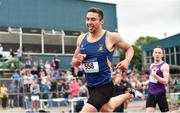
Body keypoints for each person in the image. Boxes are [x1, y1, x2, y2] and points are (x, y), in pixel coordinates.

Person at [72, 7, 137, 112]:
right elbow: (74, 62)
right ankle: (129, 95)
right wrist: (78, 60)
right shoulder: (81, 39)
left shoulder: (110, 37)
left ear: (101, 21)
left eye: (93, 19)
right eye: (87, 19)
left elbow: (129, 48)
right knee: (108, 108)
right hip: (91, 86)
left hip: (104, 86)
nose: (89, 22)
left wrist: (126, 61)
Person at [137, 46, 170, 113]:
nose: (157, 54)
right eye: (156, 52)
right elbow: (151, 79)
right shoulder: (152, 65)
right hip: (151, 93)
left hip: (160, 93)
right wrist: (142, 84)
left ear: (162, 55)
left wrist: (155, 75)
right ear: (153, 54)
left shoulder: (165, 66)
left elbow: (165, 81)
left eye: (159, 53)